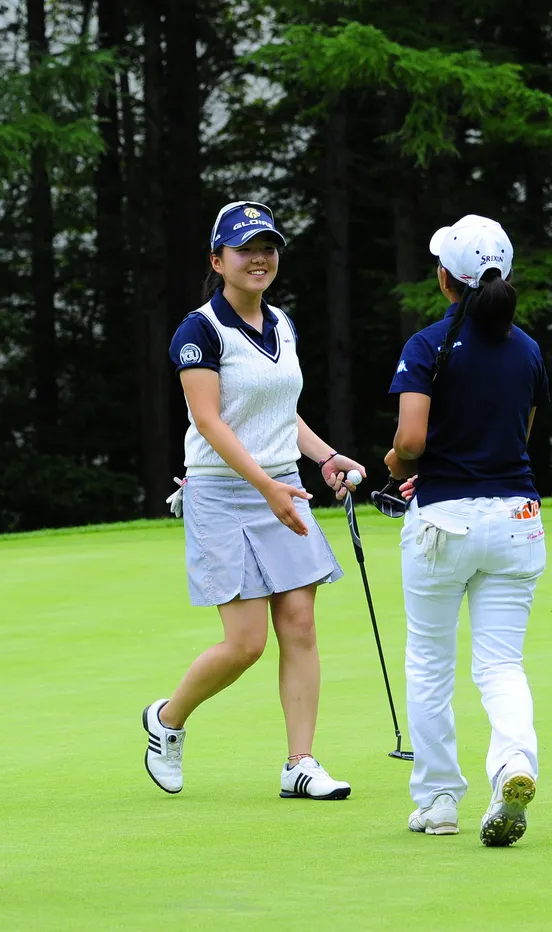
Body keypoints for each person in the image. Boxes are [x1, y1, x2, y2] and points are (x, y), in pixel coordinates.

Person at [143, 201, 365, 801]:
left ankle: (300, 763)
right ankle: (166, 721)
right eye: (245, 249)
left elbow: (280, 413)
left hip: (282, 484)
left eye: (267, 248)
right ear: (218, 261)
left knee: (300, 624)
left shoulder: (282, 323)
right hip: (222, 493)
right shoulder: (199, 331)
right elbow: (209, 421)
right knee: (246, 644)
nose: (259, 258)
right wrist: (266, 486)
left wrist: (325, 457)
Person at [383, 214, 549, 846]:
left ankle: (439, 801)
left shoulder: (426, 344)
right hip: (516, 521)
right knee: (502, 664)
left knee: (429, 663)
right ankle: (514, 764)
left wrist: (397, 465)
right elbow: (519, 434)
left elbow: (411, 441)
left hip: (443, 523)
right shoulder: (527, 349)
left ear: (444, 279)